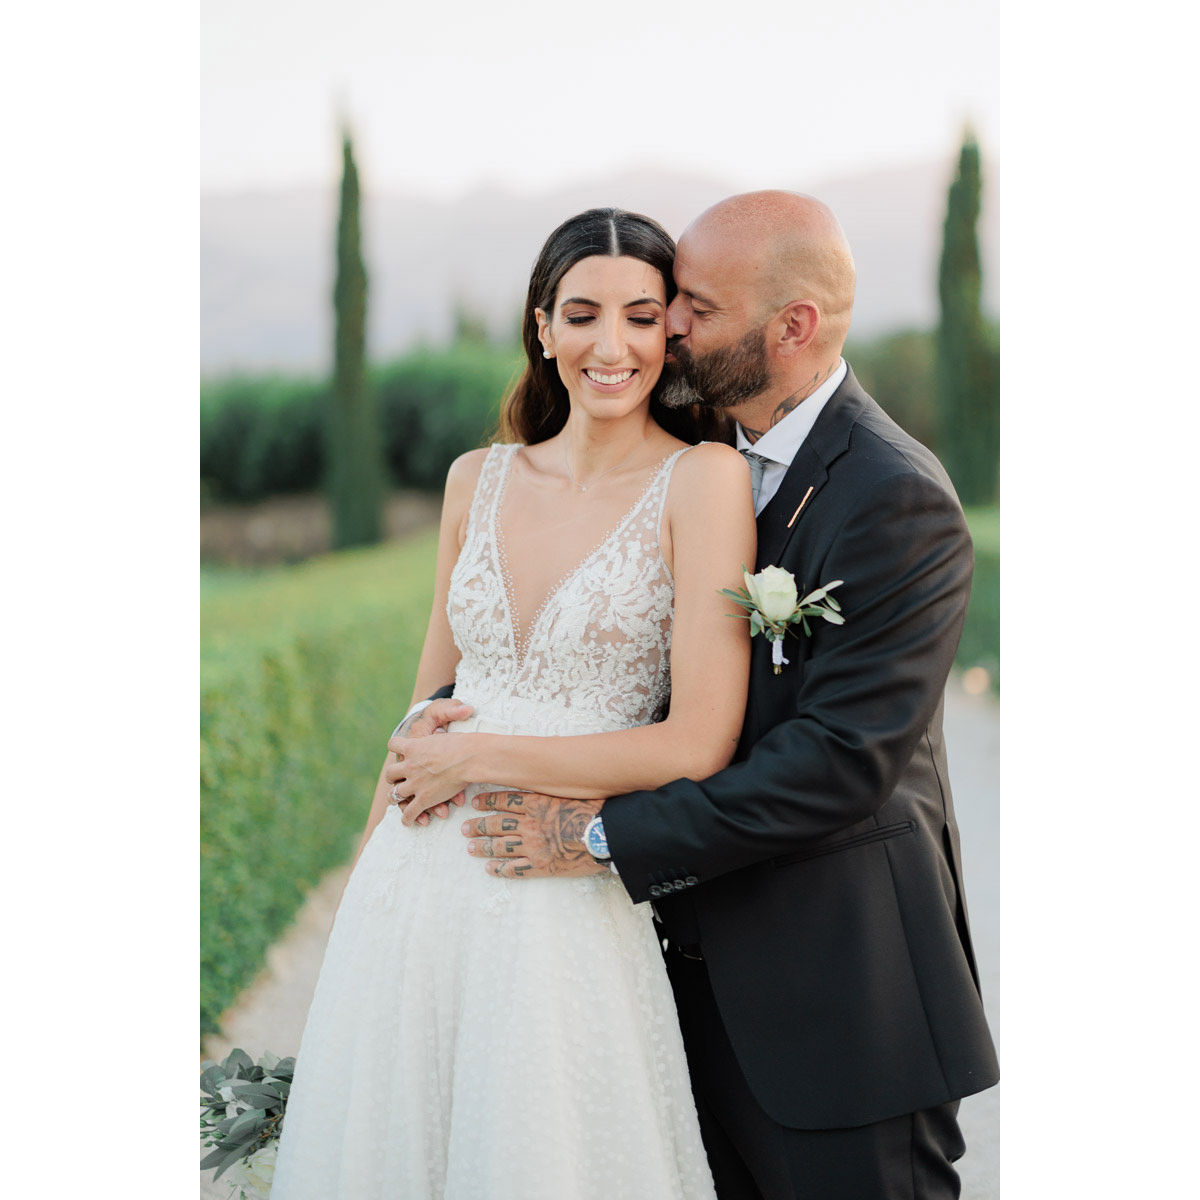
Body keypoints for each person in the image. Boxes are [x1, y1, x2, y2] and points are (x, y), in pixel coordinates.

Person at [427, 192, 1000, 1199]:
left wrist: (596, 837)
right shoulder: (695, 455)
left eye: (692, 306)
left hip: (837, 1004)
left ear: (793, 328)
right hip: (664, 997)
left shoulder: (895, 496)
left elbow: (836, 765)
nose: (667, 327)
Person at [269, 207, 756, 1200]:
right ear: (542, 327)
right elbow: (422, 715)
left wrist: (480, 758)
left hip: (557, 891)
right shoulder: (474, 480)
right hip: (418, 887)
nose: (609, 345)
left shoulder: (702, 482)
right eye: (581, 315)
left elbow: (697, 742)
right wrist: (364, 897)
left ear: (671, 330)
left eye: (640, 315)